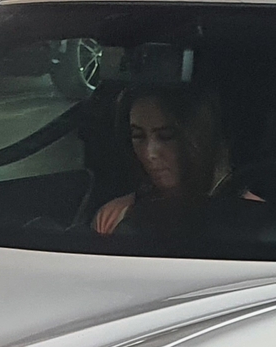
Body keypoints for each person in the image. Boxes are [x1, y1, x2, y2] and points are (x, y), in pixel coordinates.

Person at [94, 85, 232, 235]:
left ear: (200, 138)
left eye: (166, 136)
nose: (149, 153)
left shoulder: (251, 216)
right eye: (138, 136)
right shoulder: (111, 218)